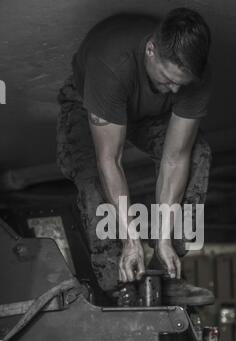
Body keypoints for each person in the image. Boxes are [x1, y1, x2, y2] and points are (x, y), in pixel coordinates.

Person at [57, 8, 214, 305]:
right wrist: (132, 239)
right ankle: (120, 282)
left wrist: (163, 238)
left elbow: (175, 158)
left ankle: (165, 270)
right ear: (151, 50)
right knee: (92, 178)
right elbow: (110, 160)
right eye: (168, 80)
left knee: (197, 154)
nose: (176, 89)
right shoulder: (111, 64)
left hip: (148, 114)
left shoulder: (195, 77)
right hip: (90, 102)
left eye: (183, 83)